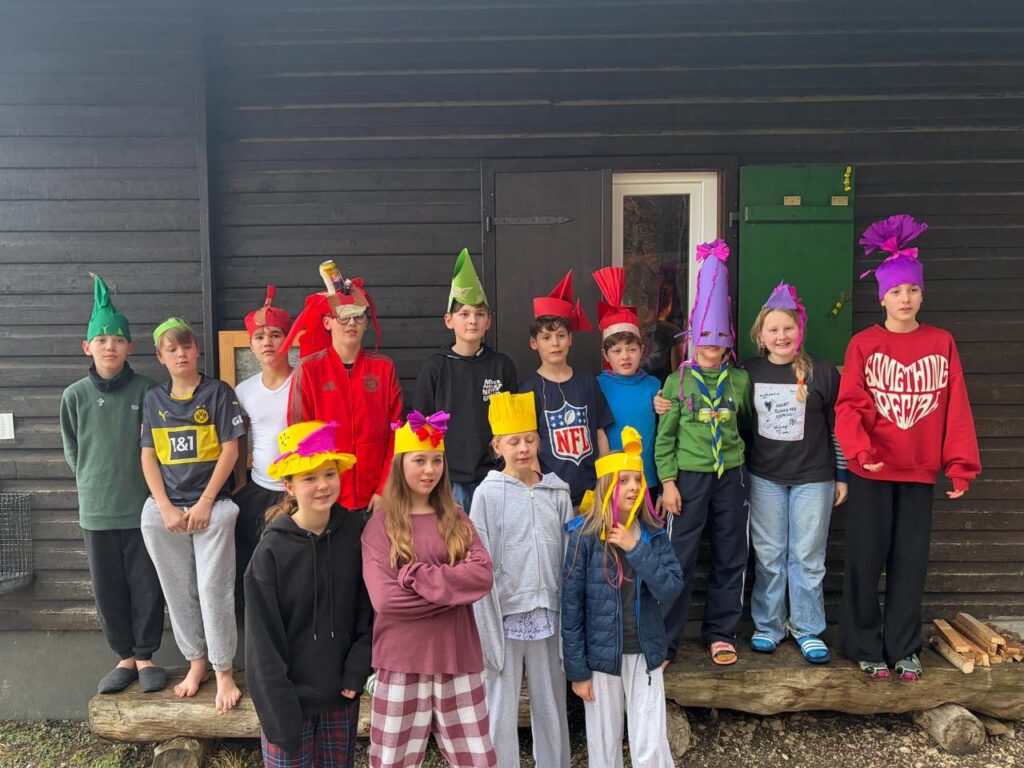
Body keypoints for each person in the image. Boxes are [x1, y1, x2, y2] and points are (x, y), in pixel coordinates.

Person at [836, 214, 980, 681]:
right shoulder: (863, 344)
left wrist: (960, 465)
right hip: (872, 471)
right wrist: (859, 451)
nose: (905, 298)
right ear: (882, 297)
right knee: (865, 560)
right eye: (896, 291)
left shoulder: (941, 342)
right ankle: (863, 644)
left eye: (912, 290)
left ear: (922, 294)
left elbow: (956, 404)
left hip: (918, 471)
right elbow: (849, 404)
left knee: (910, 563)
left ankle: (902, 648)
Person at [361, 412, 498, 768]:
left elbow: (483, 576)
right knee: (392, 760)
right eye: (419, 460)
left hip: (458, 657)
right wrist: (453, 594)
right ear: (400, 464)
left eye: (436, 461)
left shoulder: (457, 517)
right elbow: (386, 601)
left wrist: (415, 577)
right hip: (401, 661)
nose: (429, 470)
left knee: (476, 760)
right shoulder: (380, 526)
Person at [59, 274, 166, 694]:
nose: (109, 346)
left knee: (146, 585)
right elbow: (73, 448)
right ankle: (124, 657)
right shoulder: (74, 396)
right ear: (87, 346)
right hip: (97, 510)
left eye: (117, 340)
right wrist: (91, 479)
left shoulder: (148, 390)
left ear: (130, 348)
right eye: (101, 340)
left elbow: (158, 446)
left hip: (142, 507)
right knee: (108, 589)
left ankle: (146, 655)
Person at [245, 421, 373, 768]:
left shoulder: (355, 533)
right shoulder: (271, 552)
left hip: (340, 694)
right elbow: (261, 643)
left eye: (329, 474)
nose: (322, 485)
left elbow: (367, 609)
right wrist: (279, 713)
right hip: (289, 704)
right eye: (309, 478)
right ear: (289, 486)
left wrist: (357, 668)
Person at [140, 317, 245, 713]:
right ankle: (196, 662)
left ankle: (223, 670)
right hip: (168, 511)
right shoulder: (153, 399)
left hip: (211, 508)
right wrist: (165, 506)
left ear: (197, 350)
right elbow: (148, 456)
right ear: (160, 357)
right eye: (171, 349)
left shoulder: (218, 393)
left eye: (186, 346)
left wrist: (205, 501)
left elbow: (231, 450)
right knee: (178, 590)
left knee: (213, 590)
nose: (180, 354)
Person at [655, 239, 752, 666]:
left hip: (731, 476)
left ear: (729, 340)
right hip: (688, 478)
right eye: (705, 338)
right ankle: (666, 640)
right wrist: (668, 482)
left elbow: (748, 424)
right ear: (693, 337)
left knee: (731, 554)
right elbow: (665, 437)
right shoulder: (677, 382)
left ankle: (721, 633)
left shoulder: (741, 382)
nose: (711, 347)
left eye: (719, 339)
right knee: (679, 556)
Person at [562, 428, 683, 768]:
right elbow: (571, 608)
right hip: (601, 660)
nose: (633, 487)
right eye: (624, 480)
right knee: (603, 744)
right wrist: (577, 672)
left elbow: (671, 587)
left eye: (638, 480)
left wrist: (635, 548)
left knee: (650, 743)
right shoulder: (583, 537)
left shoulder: (653, 535)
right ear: (606, 486)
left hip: (645, 654)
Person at [743, 282, 848, 663]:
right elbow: (739, 423)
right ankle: (768, 625)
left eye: (788, 327)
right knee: (769, 554)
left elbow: (838, 426)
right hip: (764, 477)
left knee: (807, 556)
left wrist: (842, 474)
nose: (781, 336)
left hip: (814, 479)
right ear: (761, 335)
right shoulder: (748, 372)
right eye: (773, 329)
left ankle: (807, 627)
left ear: (800, 330)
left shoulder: (822, 371)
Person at [470, 391, 572, 768]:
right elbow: (479, 562)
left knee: (551, 705)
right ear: (498, 446)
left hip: (549, 612)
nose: (523, 448)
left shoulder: (557, 493)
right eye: (514, 441)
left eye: (529, 439)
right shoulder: (486, 495)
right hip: (506, 615)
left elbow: (568, 557)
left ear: (539, 441)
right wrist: (486, 629)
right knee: (500, 706)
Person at [285, 264, 402, 522]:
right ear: (327, 322)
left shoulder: (383, 368)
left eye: (359, 317)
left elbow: (396, 433)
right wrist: (317, 490)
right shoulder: (309, 369)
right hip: (328, 498)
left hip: (376, 498)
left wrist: (385, 488)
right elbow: (299, 435)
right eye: (343, 317)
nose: (352, 324)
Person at [414, 248, 518, 512]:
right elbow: (421, 428)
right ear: (449, 320)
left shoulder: (502, 366)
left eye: (479, 314)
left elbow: (513, 427)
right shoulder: (435, 367)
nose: (472, 321)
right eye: (464, 314)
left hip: (495, 477)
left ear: (488, 321)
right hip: (449, 480)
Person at [519, 270, 612, 507]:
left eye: (561, 335)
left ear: (570, 338)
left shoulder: (588, 382)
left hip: (591, 494)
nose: (555, 343)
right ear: (534, 343)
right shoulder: (528, 389)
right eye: (546, 337)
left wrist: (605, 482)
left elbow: (599, 434)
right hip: (550, 495)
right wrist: (539, 490)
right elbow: (528, 446)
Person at [232, 285, 293, 610]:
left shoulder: (303, 382)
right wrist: (241, 479)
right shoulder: (244, 390)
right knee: (255, 563)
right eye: (259, 337)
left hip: (296, 490)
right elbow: (240, 435)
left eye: (275, 334)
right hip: (259, 486)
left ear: (289, 339)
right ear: (251, 345)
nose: (267, 342)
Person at [593, 266, 670, 499]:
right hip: (613, 478)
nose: (625, 356)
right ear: (606, 356)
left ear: (642, 351)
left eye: (631, 349)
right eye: (616, 351)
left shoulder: (654, 386)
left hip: (648, 478)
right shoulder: (597, 386)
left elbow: (666, 433)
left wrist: (664, 406)